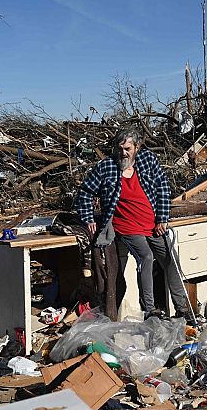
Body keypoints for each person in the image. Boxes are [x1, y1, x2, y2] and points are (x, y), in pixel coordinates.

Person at [76, 128, 192, 321]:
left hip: (151, 223)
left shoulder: (148, 161)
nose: (123, 153)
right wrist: (88, 217)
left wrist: (162, 218)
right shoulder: (106, 167)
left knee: (171, 261)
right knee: (145, 256)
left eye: (127, 148)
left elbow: (163, 188)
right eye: (119, 148)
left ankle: (182, 308)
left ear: (137, 147)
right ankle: (150, 308)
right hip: (126, 226)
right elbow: (85, 192)